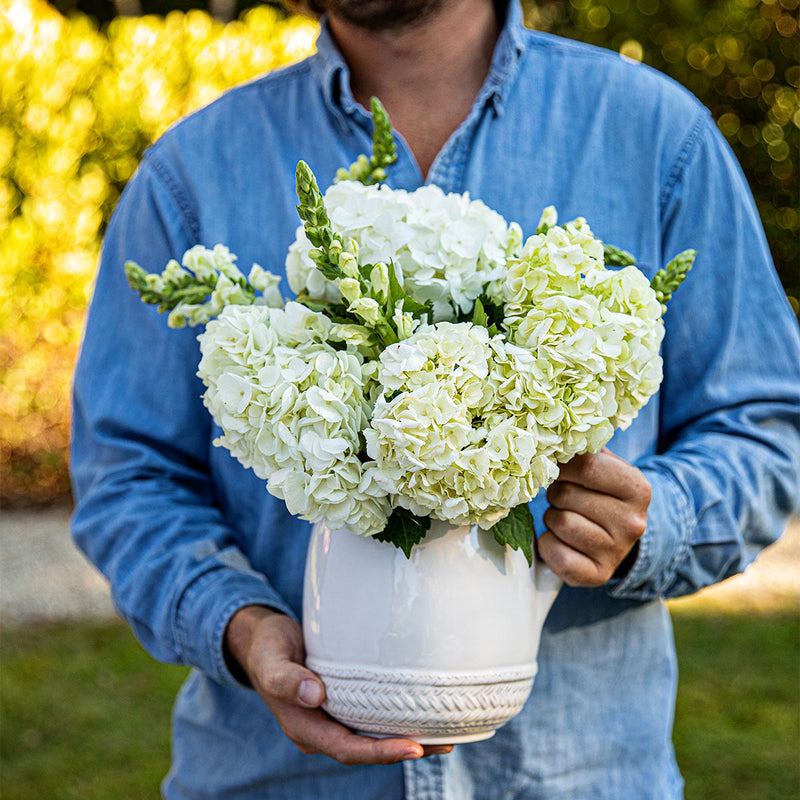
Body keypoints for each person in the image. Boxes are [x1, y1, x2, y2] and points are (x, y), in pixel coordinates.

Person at [70, 0, 800, 797]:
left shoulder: (657, 136)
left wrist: (650, 522)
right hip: (273, 779)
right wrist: (237, 625)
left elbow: (761, 427)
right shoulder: (192, 173)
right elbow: (128, 476)